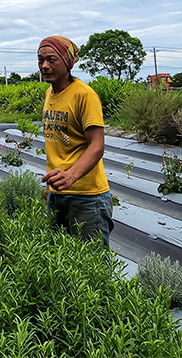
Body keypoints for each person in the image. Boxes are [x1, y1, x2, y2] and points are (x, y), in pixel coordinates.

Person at [37, 35, 113, 248]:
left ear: (67, 62)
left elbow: (97, 145)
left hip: (87, 197)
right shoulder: (49, 93)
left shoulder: (84, 95)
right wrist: (52, 186)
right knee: (59, 263)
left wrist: (71, 175)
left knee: (92, 267)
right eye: (40, 60)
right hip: (58, 193)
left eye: (51, 60)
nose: (44, 66)